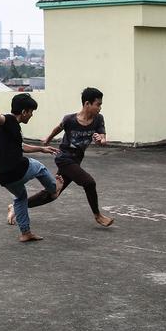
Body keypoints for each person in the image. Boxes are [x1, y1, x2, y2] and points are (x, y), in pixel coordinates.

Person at [0, 93, 61, 242]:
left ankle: (25, 233)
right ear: (24, 111)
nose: (31, 116)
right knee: (39, 167)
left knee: (20, 198)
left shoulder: (13, 129)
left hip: (3, 175)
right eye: (31, 112)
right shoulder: (10, 120)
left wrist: (41, 149)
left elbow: (21, 147)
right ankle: (54, 189)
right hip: (16, 169)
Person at [32, 87, 114, 227]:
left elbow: (103, 139)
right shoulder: (70, 119)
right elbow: (58, 128)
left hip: (76, 160)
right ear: (87, 104)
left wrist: (101, 140)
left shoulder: (98, 119)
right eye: (98, 104)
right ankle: (98, 216)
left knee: (53, 193)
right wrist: (48, 138)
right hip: (64, 158)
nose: (100, 108)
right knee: (89, 182)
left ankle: (16, 207)